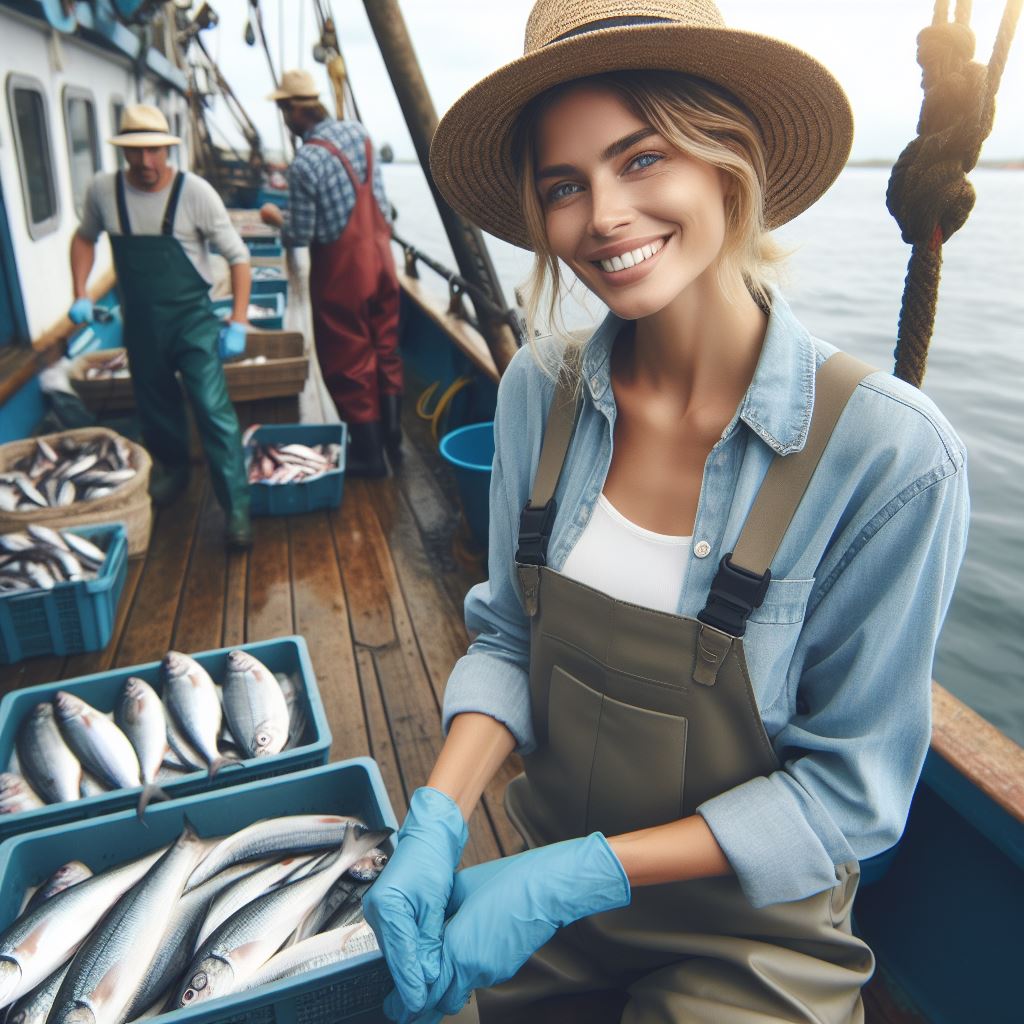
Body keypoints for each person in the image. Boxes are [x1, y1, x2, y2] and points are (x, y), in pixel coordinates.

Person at [362, 2, 971, 1022]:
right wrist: (436, 819)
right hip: (547, 905)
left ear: (725, 162)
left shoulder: (891, 453)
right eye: (564, 185)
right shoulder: (535, 391)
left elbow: (850, 796)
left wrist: (579, 873)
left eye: (641, 159)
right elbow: (508, 636)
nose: (600, 214)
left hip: (752, 937)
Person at [69, 104, 253, 550]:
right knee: (154, 404)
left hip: (192, 321)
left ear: (166, 149)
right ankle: (173, 472)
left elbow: (239, 256)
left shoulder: (196, 194)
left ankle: (237, 508)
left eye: (154, 151)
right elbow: (84, 238)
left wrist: (239, 321)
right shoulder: (103, 191)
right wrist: (81, 293)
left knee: (212, 410)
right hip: (142, 322)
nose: (146, 163)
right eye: (136, 153)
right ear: (123, 152)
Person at [260, 69, 404, 477]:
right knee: (385, 348)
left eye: (282, 110)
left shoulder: (306, 161)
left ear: (292, 110)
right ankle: (394, 442)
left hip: (343, 273)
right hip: (382, 258)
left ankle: (370, 457)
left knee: (350, 359)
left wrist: (275, 219)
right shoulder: (359, 134)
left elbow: (300, 234)